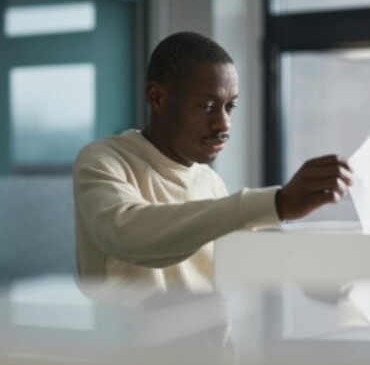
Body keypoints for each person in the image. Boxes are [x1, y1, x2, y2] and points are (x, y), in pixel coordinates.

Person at [73, 31, 353, 299]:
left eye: (229, 106)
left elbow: (241, 266)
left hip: (209, 346)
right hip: (123, 348)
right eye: (206, 105)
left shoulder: (210, 182)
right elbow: (129, 234)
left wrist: (307, 277)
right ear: (157, 97)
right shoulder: (104, 160)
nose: (224, 124)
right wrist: (277, 202)